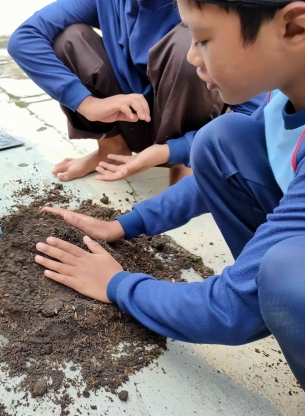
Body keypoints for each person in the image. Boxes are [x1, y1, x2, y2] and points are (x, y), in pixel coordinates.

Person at [34, 0, 305, 388]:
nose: (192, 56)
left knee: (285, 277)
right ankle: (265, 292)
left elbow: (231, 309)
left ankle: (269, 295)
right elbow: (220, 170)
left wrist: (117, 284)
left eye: (204, 39)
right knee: (221, 140)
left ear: (294, 28)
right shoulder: (282, 97)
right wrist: (125, 225)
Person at [7, 0, 264, 184]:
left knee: (189, 46)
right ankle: (111, 147)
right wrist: (86, 103)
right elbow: (25, 37)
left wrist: (174, 151)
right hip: (130, 116)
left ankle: (186, 165)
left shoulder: (213, 9)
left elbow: (256, 116)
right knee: (67, 36)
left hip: (190, 127)